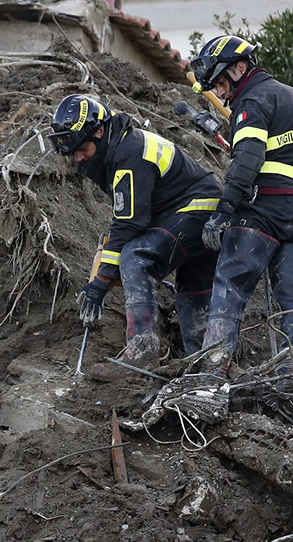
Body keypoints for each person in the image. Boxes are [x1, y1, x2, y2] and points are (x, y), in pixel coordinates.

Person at [48, 94, 223, 381]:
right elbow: (133, 213)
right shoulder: (121, 144)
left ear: (99, 131)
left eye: (82, 148)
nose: (78, 157)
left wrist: (101, 281)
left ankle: (142, 352)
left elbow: (130, 223)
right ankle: (207, 363)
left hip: (196, 211)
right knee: (192, 288)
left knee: (136, 254)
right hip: (203, 212)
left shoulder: (128, 153)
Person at [188, 34, 293, 376]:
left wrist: (223, 213)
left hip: (259, 213)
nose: (219, 93)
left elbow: (248, 161)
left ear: (239, 67)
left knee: (229, 291)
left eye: (220, 83)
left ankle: (209, 379)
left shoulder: (251, 101)